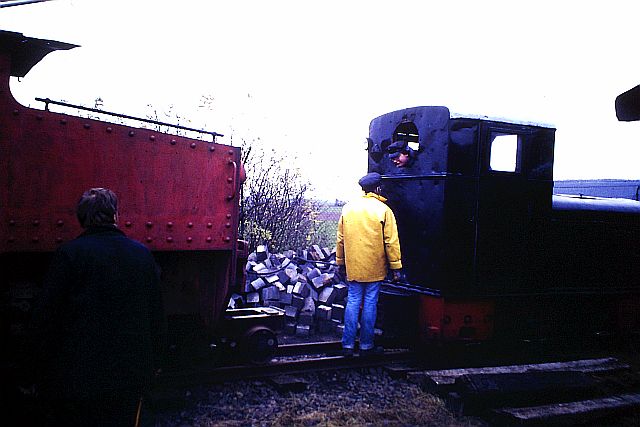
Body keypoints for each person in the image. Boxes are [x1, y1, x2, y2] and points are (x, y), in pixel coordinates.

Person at [29, 188, 166, 426]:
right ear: (115, 215)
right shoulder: (142, 255)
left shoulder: (69, 255)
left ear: (82, 218)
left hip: (80, 375)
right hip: (131, 374)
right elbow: (156, 315)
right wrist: (155, 363)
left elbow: (46, 317)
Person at [336, 173, 403, 356]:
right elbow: (391, 242)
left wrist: (340, 262)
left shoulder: (348, 209)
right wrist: (396, 268)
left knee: (353, 301)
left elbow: (341, 240)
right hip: (375, 267)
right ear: (378, 188)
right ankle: (366, 346)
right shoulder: (383, 210)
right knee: (370, 303)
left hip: (354, 266)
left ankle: (347, 345)